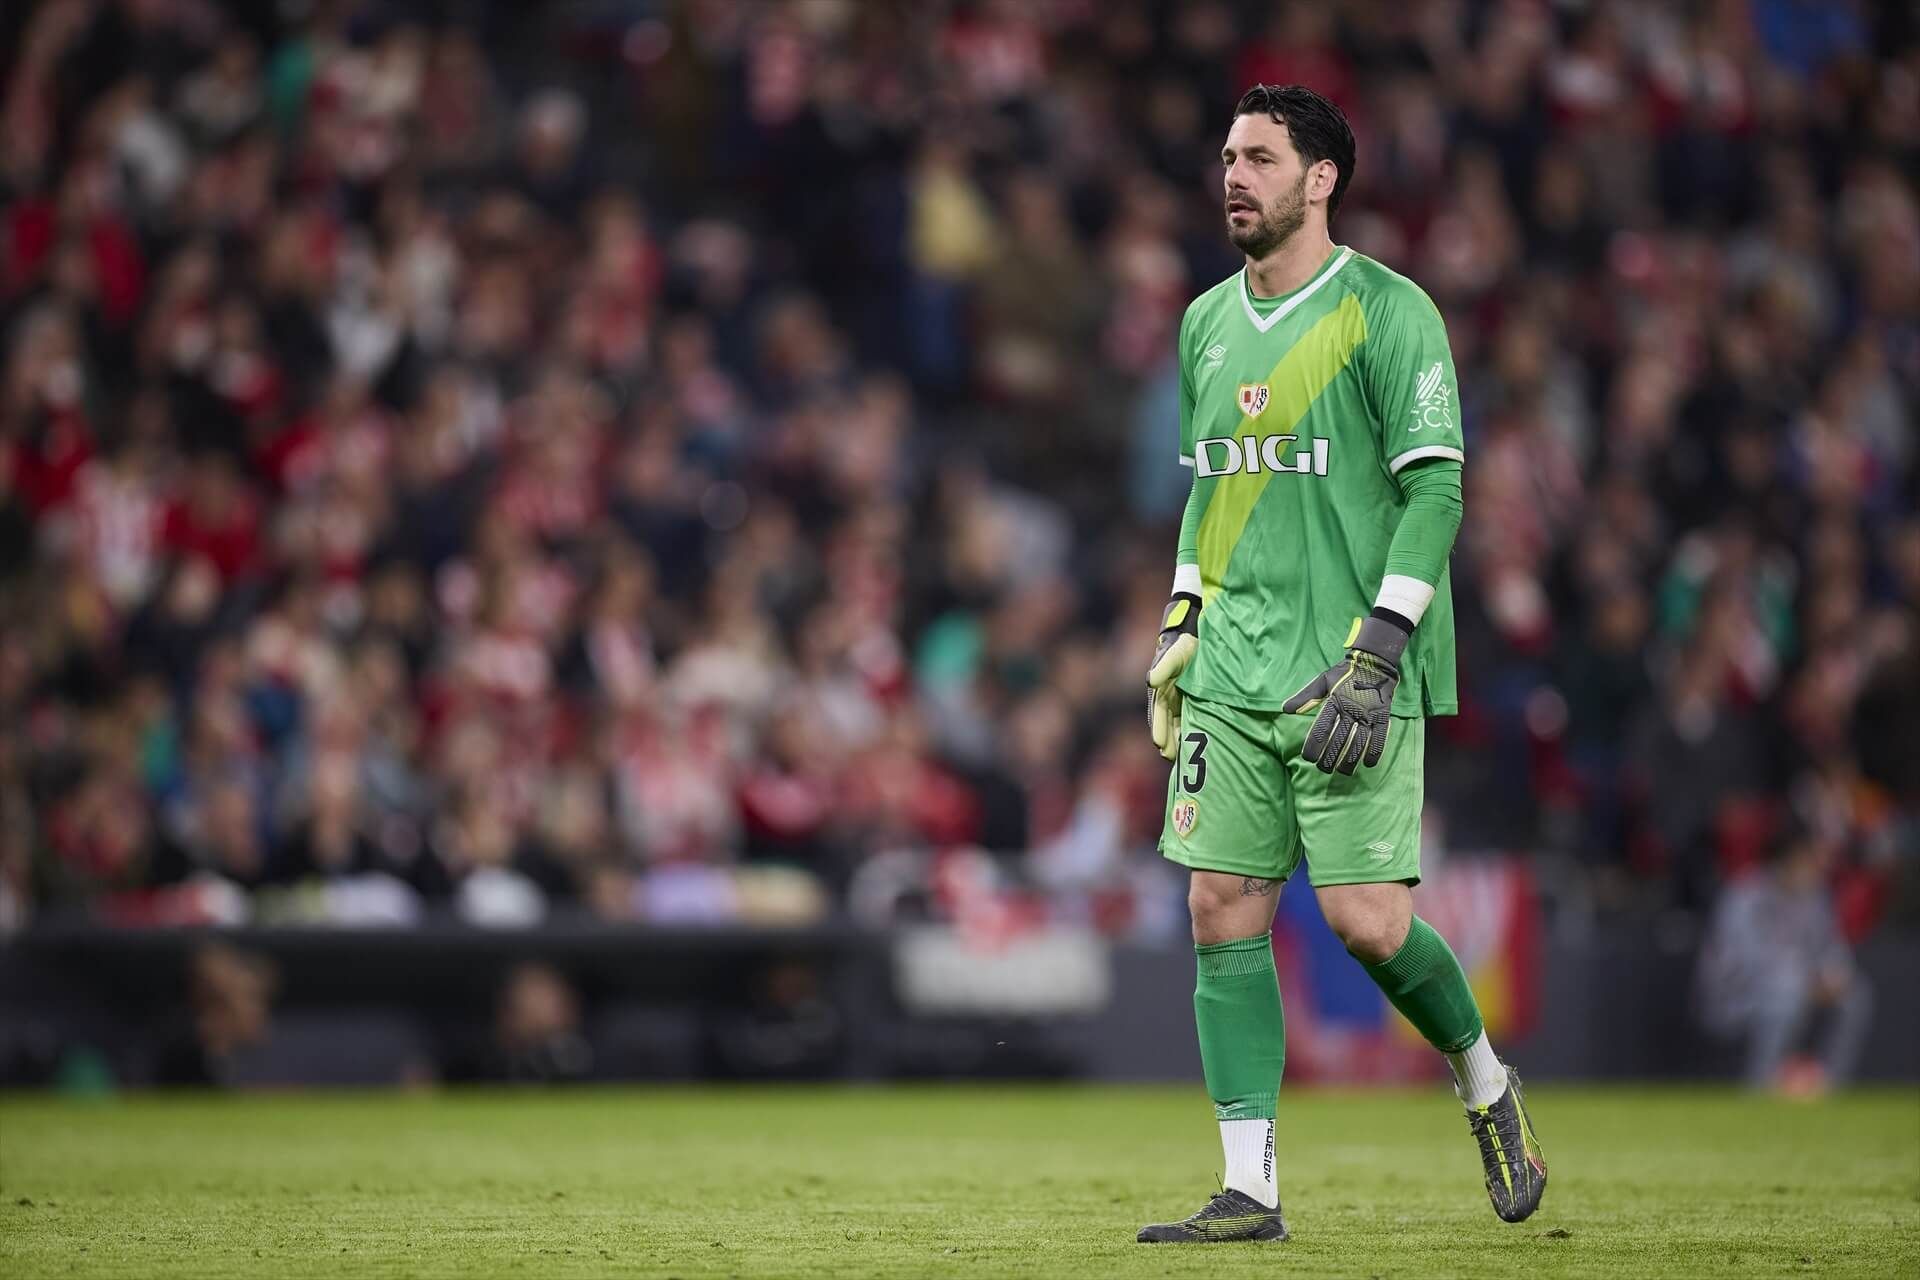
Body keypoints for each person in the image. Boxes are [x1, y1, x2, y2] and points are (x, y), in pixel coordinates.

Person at [1137, 84, 1545, 1244]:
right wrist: (1181, 615)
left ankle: (1485, 1082)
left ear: (1321, 180)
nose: (1234, 175)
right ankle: (1249, 1187)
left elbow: (1437, 490)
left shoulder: (1388, 311)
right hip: (1234, 660)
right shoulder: (1205, 323)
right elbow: (1211, 489)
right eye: (1228, 156)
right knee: (1219, 902)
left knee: (1366, 920)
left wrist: (1382, 644)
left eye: (1260, 158)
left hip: (1353, 665)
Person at [1696, 824, 1874, 1094]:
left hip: (1797, 991)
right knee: (1784, 991)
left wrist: (1834, 977)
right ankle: (1761, 1085)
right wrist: (1804, 980)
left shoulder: (1815, 898)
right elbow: (1742, 960)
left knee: (1854, 996)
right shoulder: (1746, 894)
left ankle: (1828, 1087)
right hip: (1733, 998)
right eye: (1812, 858)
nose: (1820, 866)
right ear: (1791, 857)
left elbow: (1831, 950)